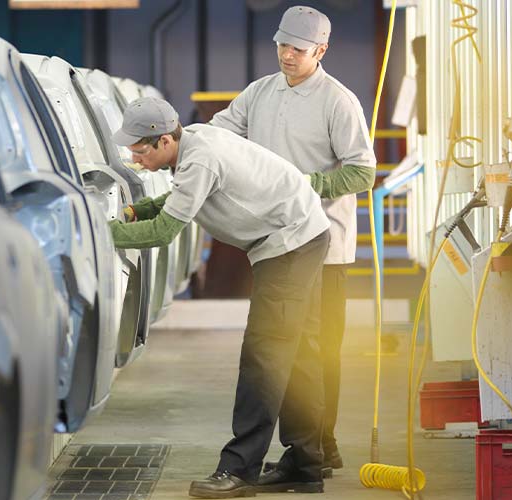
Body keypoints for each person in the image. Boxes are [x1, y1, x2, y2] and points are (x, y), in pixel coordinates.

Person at [108, 97, 329, 498]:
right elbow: (182, 198)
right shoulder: (194, 142)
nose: (133, 156)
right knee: (297, 354)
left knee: (264, 356)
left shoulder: (200, 159)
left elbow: (164, 231)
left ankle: (240, 469)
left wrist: (100, 232)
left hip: (289, 243)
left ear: (162, 141)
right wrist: (136, 211)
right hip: (305, 232)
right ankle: (305, 464)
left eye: (139, 149)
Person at [208, 5, 378, 483]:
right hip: (277, 243)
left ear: (321, 51)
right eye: (282, 44)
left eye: (298, 49)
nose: (287, 54)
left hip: (326, 246)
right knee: (300, 352)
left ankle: (317, 448)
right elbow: (222, 133)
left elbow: (363, 171)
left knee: (318, 351)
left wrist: (303, 186)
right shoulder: (260, 93)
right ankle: (314, 452)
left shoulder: (337, 101)